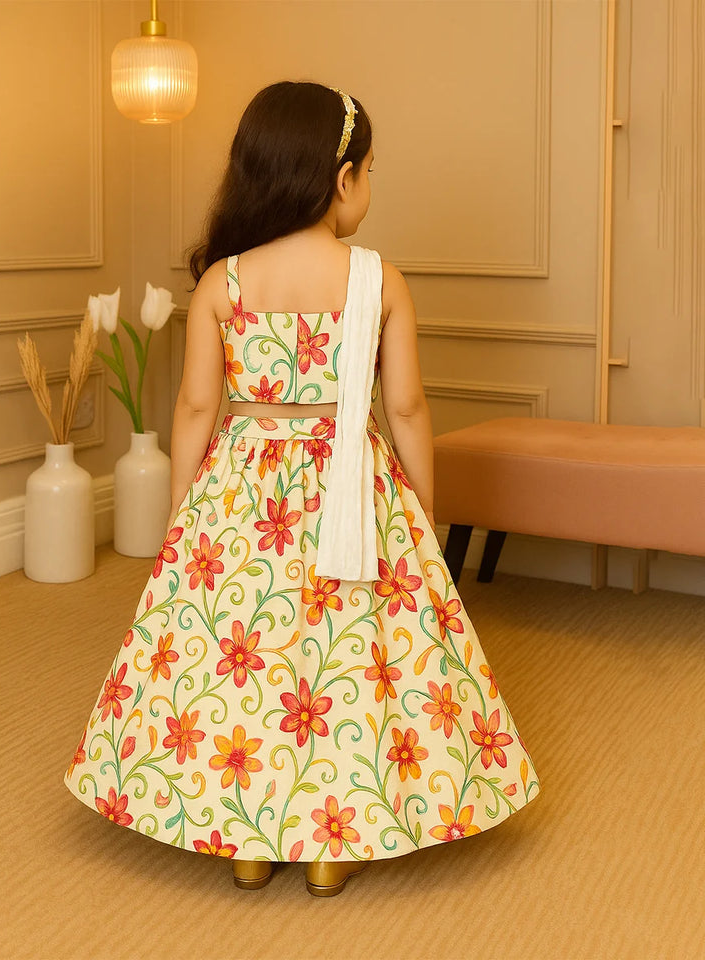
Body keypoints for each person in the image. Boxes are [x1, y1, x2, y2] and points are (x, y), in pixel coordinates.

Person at [64, 80, 541, 898]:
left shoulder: (223, 281)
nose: (368, 184)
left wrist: (186, 505)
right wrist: (424, 509)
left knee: (240, 664)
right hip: (350, 486)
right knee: (347, 665)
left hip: (244, 493)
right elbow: (406, 407)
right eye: (367, 169)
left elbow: (195, 406)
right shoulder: (377, 279)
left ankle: (246, 841)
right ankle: (332, 845)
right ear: (340, 178)